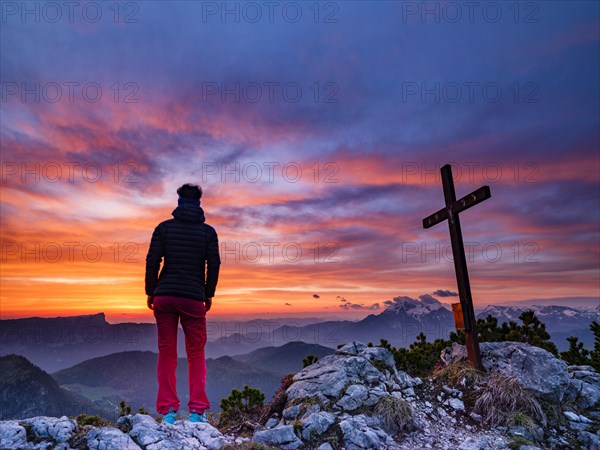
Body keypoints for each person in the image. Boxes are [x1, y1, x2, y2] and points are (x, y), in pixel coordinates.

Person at [145, 183, 221, 424]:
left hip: (164, 296)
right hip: (193, 299)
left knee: (167, 353)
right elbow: (214, 264)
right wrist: (207, 293)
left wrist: (151, 290)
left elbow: (152, 260)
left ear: (178, 201)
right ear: (199, 202)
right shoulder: (208, 232)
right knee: (196, 353)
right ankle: (197, 411)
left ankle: (168, 410)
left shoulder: (164, 228)